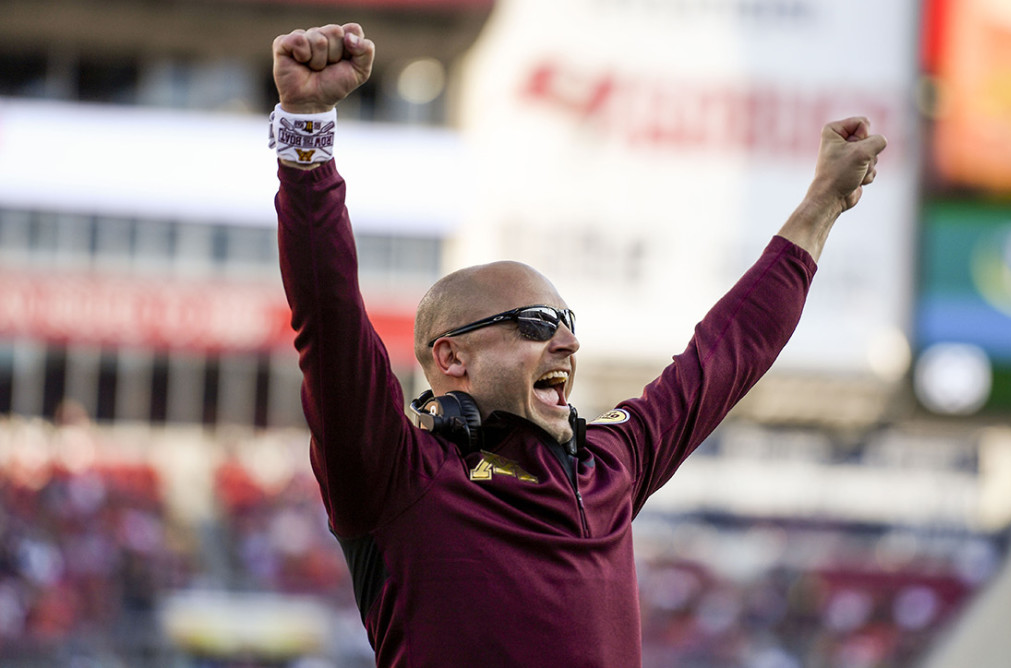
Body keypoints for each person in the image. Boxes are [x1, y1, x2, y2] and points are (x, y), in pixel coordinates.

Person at [271, 22, 885, 668]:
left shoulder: (613, 464)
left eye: (567, 320)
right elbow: (328, 316)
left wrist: (823, 202)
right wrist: (306, 130)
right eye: (536, 322)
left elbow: (731, 349)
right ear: (451, 358)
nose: (568, 340)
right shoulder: (397, 475)